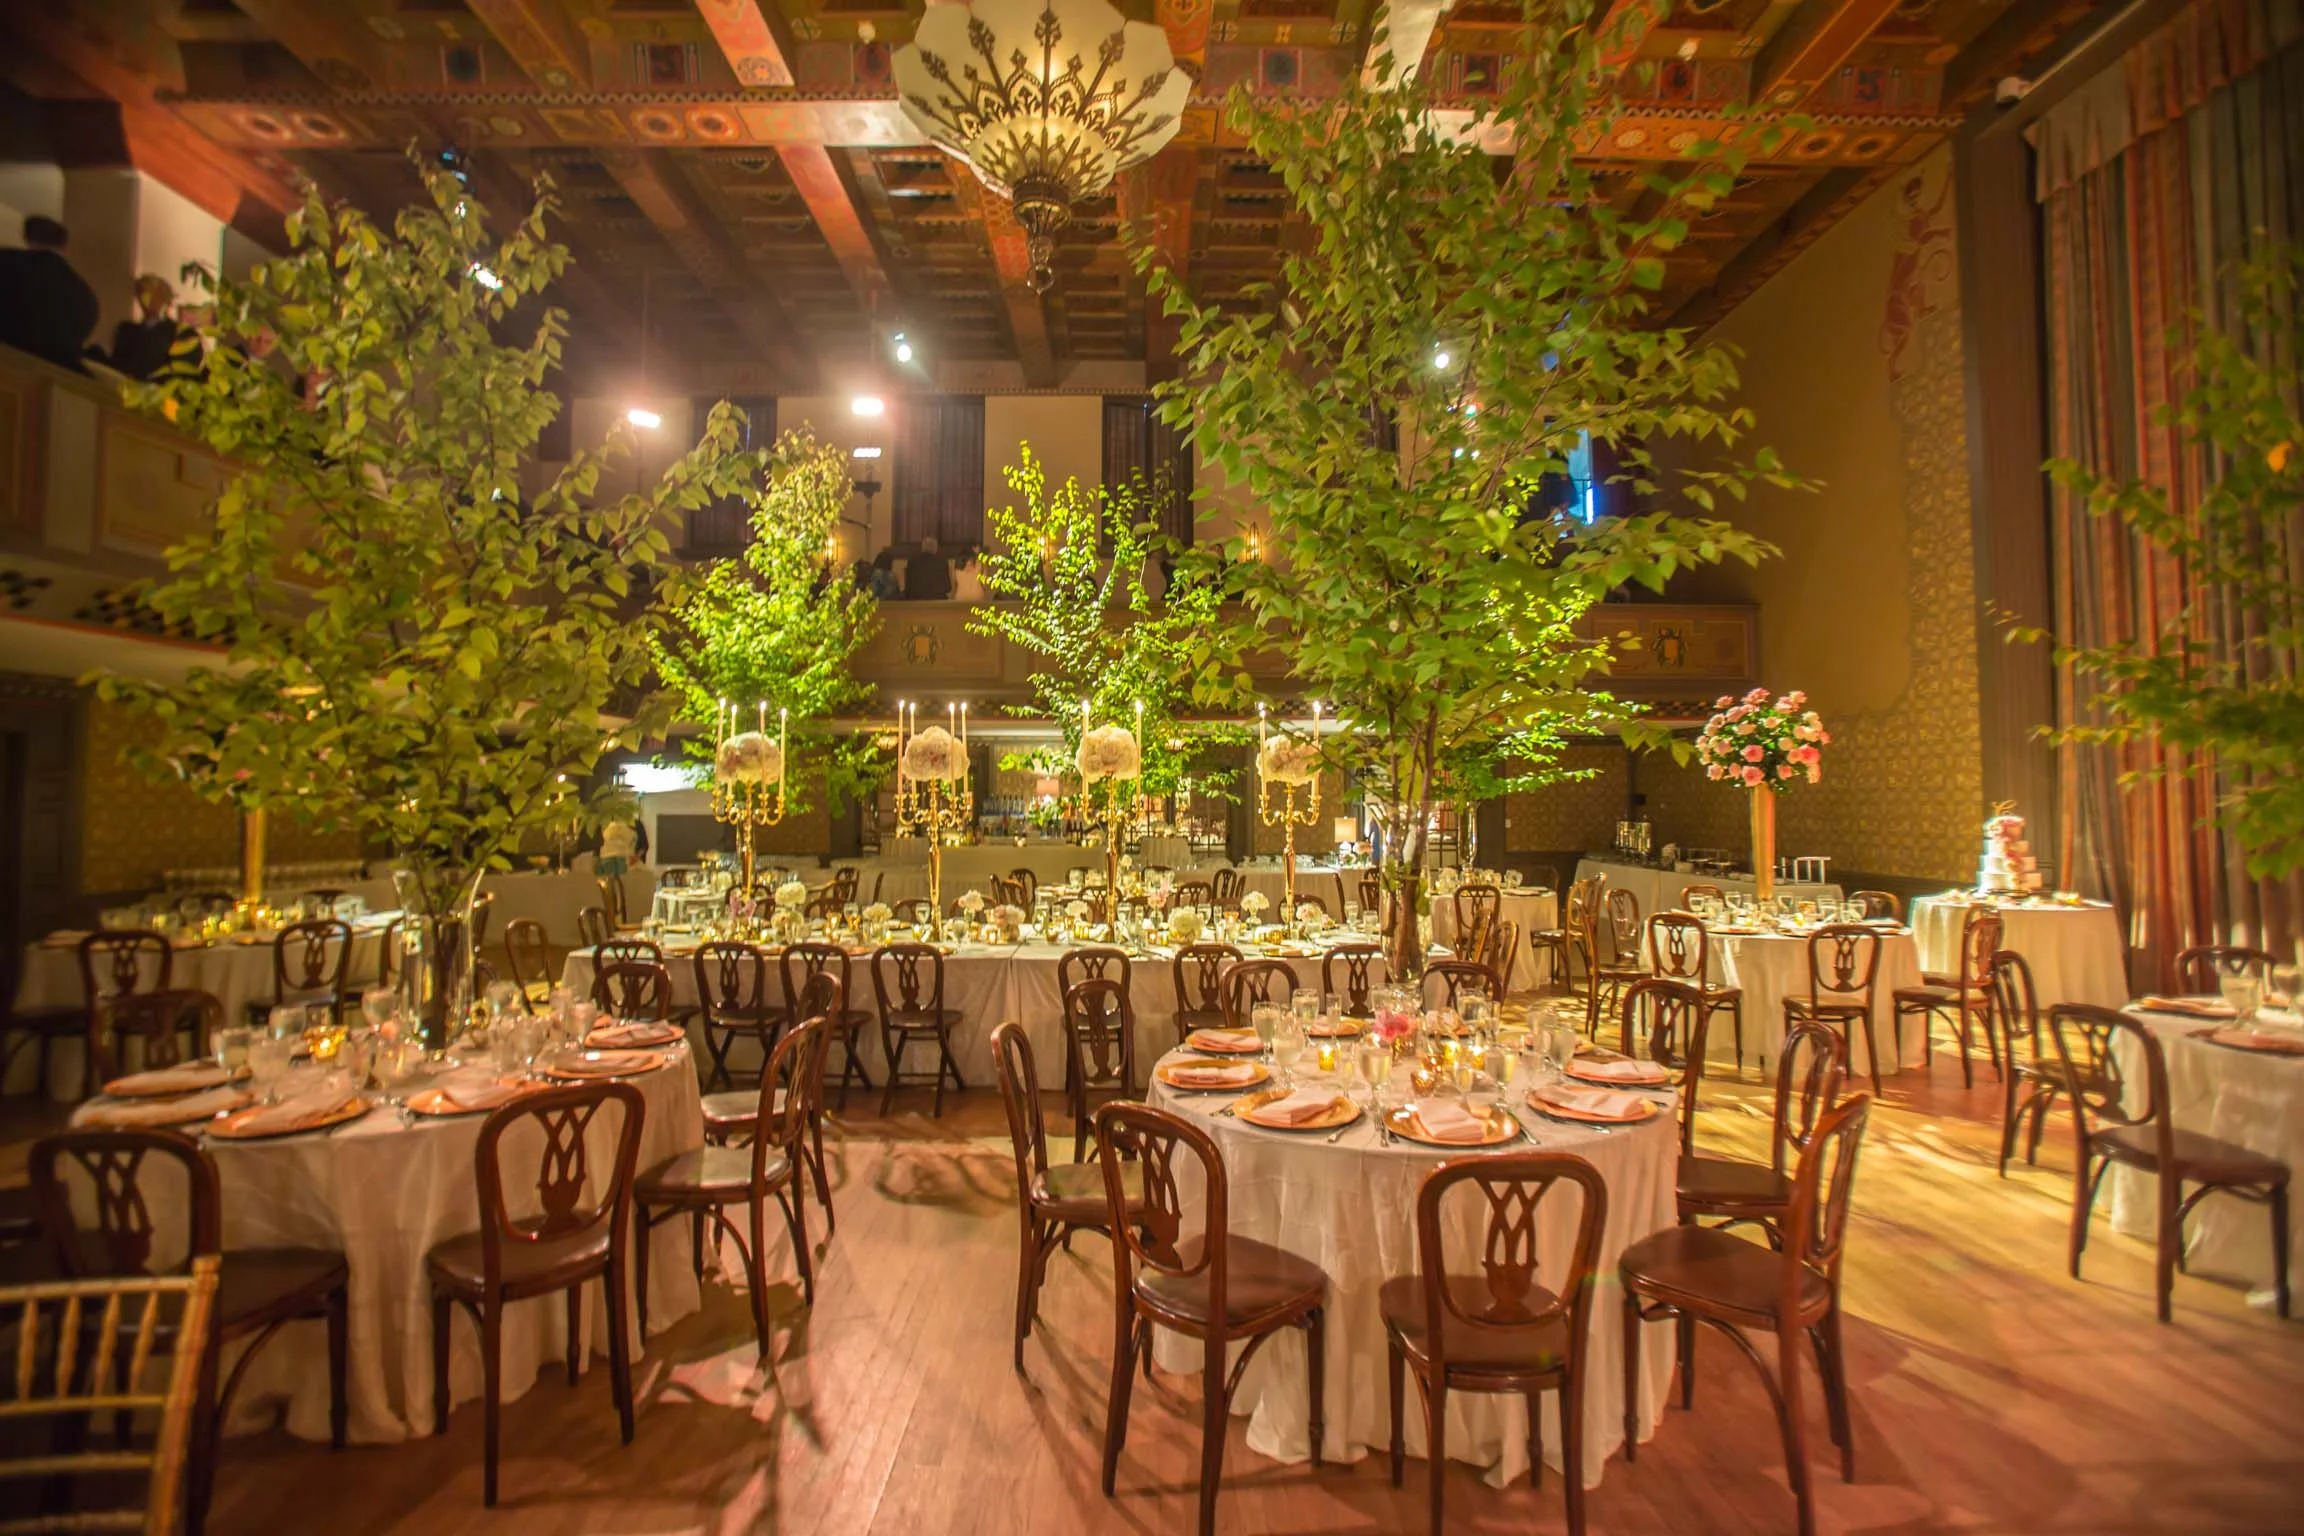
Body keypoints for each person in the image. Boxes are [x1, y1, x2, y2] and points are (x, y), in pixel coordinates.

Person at [0, 216, 101, 372]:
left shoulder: (5, 262)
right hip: (54, 375)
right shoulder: (85, 295)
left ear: (27, 238)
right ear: (64, 246)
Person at [104, 274, 189, 381]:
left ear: (166, 298)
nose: (147, 300)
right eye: (142, 294)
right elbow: (117, 365)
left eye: (155, 295)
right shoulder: (126, 331)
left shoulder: (179, 333)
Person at [905, 535, 951, 600]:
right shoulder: (942, 562)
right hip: (937, 599)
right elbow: (948, 587)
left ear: (922, 548)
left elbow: (908, 587)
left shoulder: (912, 561)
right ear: (935, 549)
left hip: (916, 599)